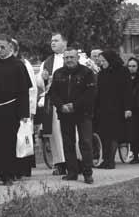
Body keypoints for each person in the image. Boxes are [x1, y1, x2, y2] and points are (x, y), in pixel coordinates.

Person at [0, 34, 32, 186]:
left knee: (9, 142)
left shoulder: (18, 65)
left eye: (2, 47)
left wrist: (24, 113)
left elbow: (24, 92)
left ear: (10, 47)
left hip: (11, 108)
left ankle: (8, 174)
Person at [49, 47, 96, 183]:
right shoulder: (58, 74)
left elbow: (90, 93)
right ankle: (72, 172)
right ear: (63, 59)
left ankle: (87, 173)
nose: (69, 60)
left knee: (85, 143)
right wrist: (60, 106)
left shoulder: (87, 73)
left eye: (72, 57)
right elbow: (53, 93)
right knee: (68, 143)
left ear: (77, 58)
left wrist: (74, 106)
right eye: (66, 57)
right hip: (65, 114)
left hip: (83, 114)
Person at [94, 50, 133, 169]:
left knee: (113, 135)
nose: (102, 63)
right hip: (103, 109)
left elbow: (127, 91)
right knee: (104, 135)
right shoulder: (102, 73)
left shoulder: (122, 71)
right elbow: (98, 92)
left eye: (103, 61)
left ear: (110, 60)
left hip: (118, 108)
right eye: (100, 61)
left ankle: (110, 161)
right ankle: (106, 160)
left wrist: (128, 108)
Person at [38, 32, 68, 175]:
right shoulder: (47, 62)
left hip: (67, 102)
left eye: (56, 40)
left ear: (65, 43)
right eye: (51, 41)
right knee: (55, 134)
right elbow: (40, 83)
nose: (53, 43)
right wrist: (43, 78)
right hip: (52, 103)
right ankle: (59, 162)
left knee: (69, 132)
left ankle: (74, 161)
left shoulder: (72, 58)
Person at [11, 38, 38, 178]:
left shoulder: (23, 64)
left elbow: (31, 89)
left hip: (24, 108)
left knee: (23, 138)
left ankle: (24, 169)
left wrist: (30, 111)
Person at [126, 57, 139, 164]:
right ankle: (135, 155)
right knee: (134, 133)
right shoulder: (125, 79)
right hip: (132, 110)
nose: (131, 68)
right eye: (129, 66)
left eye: (134, 66)